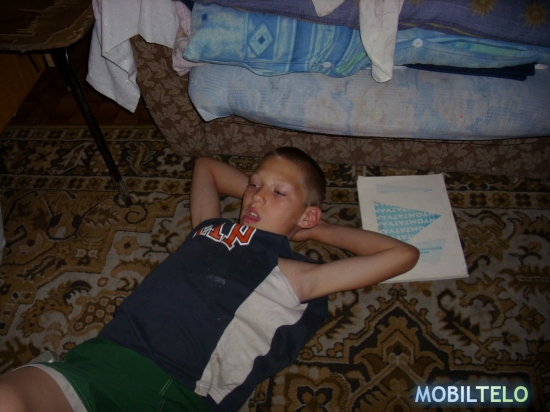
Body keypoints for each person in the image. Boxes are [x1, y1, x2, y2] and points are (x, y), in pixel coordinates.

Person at [0, 147, 419, 412]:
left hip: (172, 391)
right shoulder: (210, 229)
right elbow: (207, 167)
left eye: (278, 192)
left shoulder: (297, 275)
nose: (255, 195)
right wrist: (278, 204)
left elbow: (403, 255)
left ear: (308, 214)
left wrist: (313, 230)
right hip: (100, 361)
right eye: (254, 184)